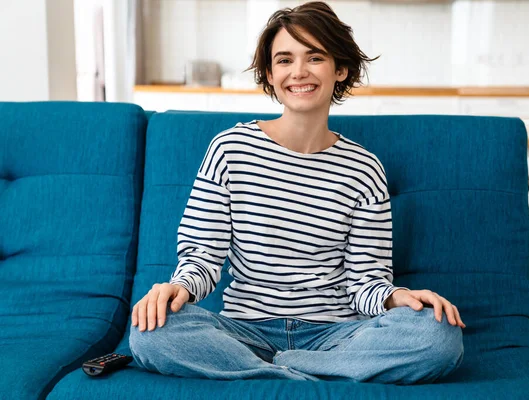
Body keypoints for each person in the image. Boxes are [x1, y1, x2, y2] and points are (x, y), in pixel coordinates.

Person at [130, 1, 465, 384]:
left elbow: (365, 282)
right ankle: (307, 375)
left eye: (315, 57)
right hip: (244, 332)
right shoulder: (230, 149)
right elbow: (203, 255)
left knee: (438, 335)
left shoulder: (364, 168)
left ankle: (277, 373)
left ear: (340, 69)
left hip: (335, 334)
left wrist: (394, 297)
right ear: (270, 75)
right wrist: (178, 287)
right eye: (284, 60)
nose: (299, 72)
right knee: (150, 330)